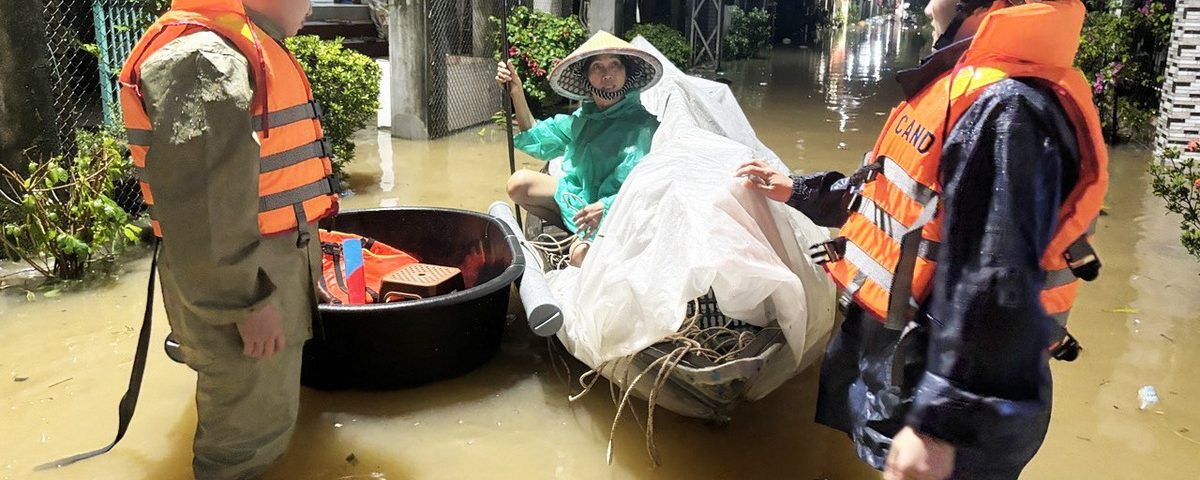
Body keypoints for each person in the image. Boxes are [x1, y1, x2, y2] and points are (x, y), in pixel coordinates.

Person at [737, 0, 1107, 478]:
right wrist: (798, 190)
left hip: (945, 402)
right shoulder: (972, 90)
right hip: (909, 372)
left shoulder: (1008, 107)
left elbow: (998, 280)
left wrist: (939, 426)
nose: (928, 3)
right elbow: (887, 202)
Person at [119, 0, 339, 477]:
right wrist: (244, 304)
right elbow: (204, 208)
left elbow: (262, 190)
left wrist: (306, 272)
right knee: (242, 454)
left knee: (263, 423)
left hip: (261, 276)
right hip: (244, 285)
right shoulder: (204, 57)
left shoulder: (235, 46)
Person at [497, 31, 663, 266]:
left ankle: (585, 242)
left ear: (627, 73)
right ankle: (574, 229)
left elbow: (646, 189)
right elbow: (537, 136)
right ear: (586, 77)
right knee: (518, 184)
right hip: (580, 201)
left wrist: (605, 208)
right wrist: (516, 91)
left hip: (619, 211)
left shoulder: (643, 127)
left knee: (580, 257)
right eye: (597, 67)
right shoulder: (583, 119)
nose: (607, 74)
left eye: (615, 65)